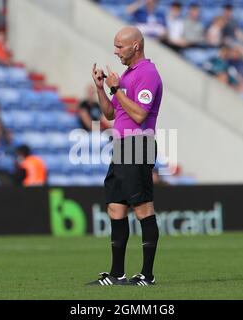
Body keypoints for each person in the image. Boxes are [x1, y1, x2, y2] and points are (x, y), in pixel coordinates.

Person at [87, 26, 162, 286]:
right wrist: (101, 88)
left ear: (136, 46)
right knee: (115, 208)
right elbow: (110, 114)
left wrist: (116, 88)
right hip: (121, 147)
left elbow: (140, 115)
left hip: (138, 146)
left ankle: (147, 275)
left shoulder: (148, 74)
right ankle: (117, 273)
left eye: (120, 46)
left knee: (142, 208)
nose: (115, 51)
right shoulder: (128, 75)